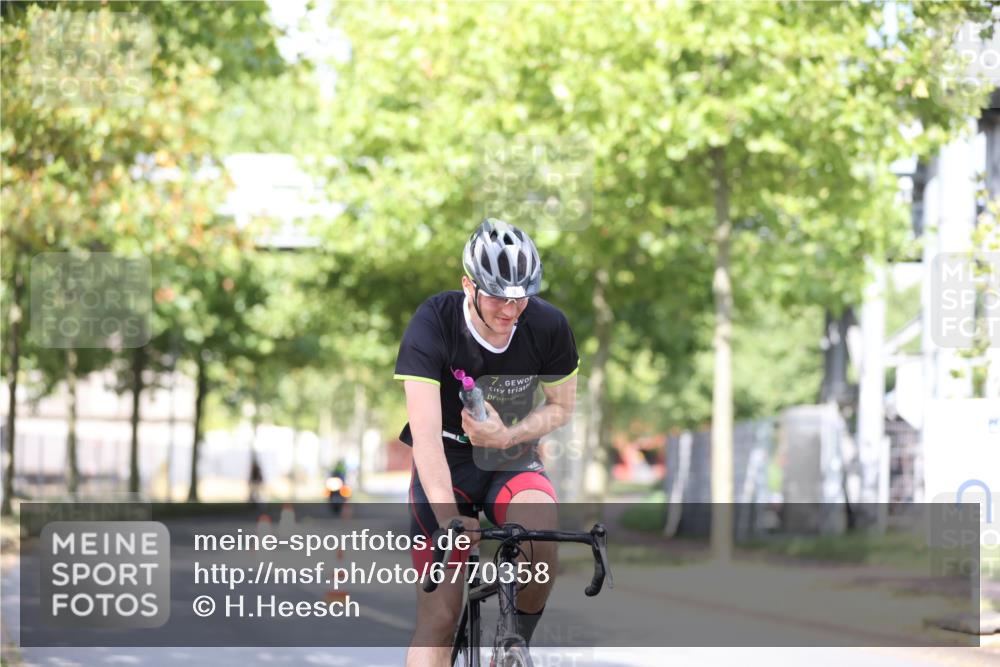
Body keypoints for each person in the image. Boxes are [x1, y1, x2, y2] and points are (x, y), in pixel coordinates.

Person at [394, 218, 579, 667]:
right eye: (498, 296)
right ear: (468, 285)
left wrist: (509, 434)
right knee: (439, 619)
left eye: (522, 298)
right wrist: (448, 521)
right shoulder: (433, 322)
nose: (510, 310)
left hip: (510, 458)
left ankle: (513, 646)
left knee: (541, 530)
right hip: (446, 462)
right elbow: (425, 440)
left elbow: (561, 407)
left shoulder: (549, 325)